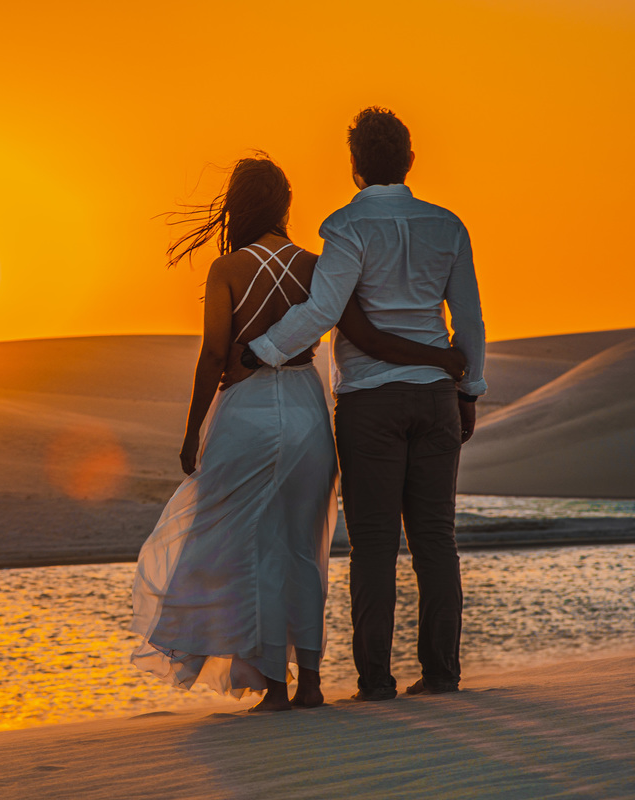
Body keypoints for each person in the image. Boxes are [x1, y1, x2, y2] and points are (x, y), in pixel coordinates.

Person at [130, 153, 466, 712]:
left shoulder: (228, 269)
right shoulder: (317, 265)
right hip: (309, 410)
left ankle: (276, 687)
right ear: (285, 205)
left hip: (246, 411)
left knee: (258, 549)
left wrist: (191, 433)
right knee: (305, 548)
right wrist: (444, 358)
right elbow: (367, 335)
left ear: (237, 208)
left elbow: (216, 353)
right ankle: (310, 681)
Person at [243, 108, 487, 701]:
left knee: (375, 544)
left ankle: (376, 680)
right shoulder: (448, 226)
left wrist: (260, 350)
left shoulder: (345, 227)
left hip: (371, 402)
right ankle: (442, 674)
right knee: (436, 538)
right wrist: (470, 390)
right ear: (409, 160)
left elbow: (324, 312)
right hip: (435, 396)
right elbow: (471, 321)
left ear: (354, 165)